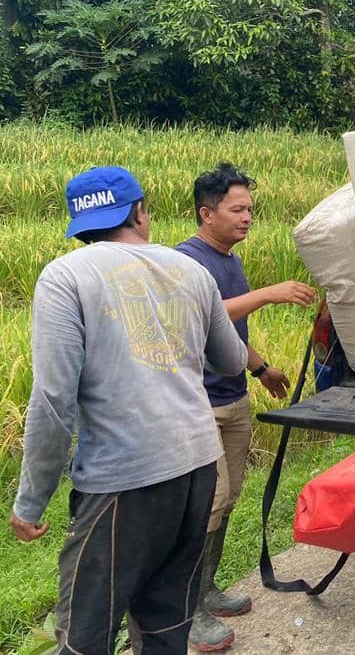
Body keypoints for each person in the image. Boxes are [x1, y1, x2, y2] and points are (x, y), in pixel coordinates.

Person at [8, 166, 247, 654]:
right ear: (140, 213)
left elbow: (53, 399)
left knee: (85, 633)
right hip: (197, 468)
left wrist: (30, 502)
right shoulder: (191, 271)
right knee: (165, 622)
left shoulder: (66, 276)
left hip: (123, 481)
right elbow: (232, 360)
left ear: (79, 226)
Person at [178, 163, 316, 652]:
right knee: (204, 506)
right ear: (206, 213)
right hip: (200, 406)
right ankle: (184, 610)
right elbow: (204, 313)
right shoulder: (185, 262)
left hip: (234, 396)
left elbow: (228, 333)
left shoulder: (230, 261)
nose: (247, 218)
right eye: (237, 210)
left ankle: (206, 587)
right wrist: (268, 294)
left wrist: (261, 369)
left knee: (230, 495)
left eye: (250, 210)